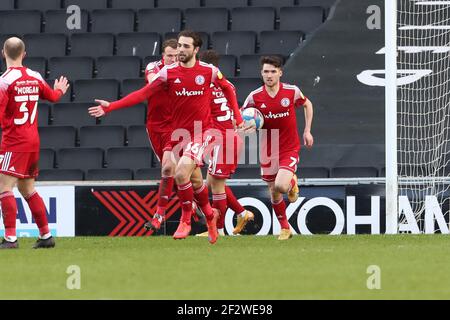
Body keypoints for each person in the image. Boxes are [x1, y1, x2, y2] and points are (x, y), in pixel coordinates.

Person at [89, 30, 244, 244]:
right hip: (177, 134)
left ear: (196, 50)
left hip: (202, 132)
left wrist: (237, 115)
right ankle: (209, 215)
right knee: (196, 179)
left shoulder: (209, 71)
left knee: (180, 173)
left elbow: (227, 88)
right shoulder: (168, 73)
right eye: (179, 45)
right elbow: (143, 94)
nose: (181, 50)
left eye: (186, 46)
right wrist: (112, 107)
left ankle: (186, 220)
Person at [0, 37, 69, 249]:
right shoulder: (35, 76)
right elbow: (53, 97)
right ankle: (46, 235)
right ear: (24, 54)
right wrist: (59, 91)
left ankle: (10, 238)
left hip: (14, 142)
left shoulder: (4, 81)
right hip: (32, 141)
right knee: (28, 188)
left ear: (4, 53)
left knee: (4, 187)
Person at [242, 56, 314, 240]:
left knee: (281, 186)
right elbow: (242, 119)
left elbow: (307, 104)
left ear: (280, 72)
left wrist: (307, 130)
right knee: (273, 192)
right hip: (268, 150)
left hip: (289, 146)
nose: (269, 75)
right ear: (261, 73)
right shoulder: (254, 96)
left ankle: (291, 183)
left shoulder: (291, 91)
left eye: (273, 71)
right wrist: (246, 126)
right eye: (266, 71)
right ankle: (285, 228)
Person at [196, 50, 254, 237]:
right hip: (227, 137)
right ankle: (242, 213)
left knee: (217, 187)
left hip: (223, 139)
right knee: (211, 183)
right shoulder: (225, 84)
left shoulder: (203, 86)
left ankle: (218, 230)